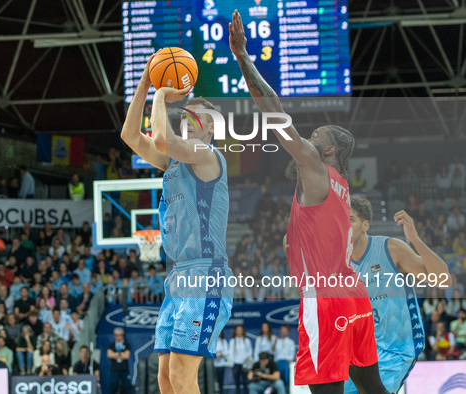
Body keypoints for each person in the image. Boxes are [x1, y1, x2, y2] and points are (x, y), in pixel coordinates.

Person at [229, 10, 388, 393]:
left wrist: (242, 57)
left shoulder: (315, 165)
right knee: (372, 388)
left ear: (329, 148)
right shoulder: (341, 186)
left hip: (326, 298)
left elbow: (274, 112)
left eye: (315, 134)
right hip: (354, 293)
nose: (308, 137)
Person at [121, 48, 234, 394]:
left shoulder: (206, 155)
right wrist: (144, 81)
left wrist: (161, 93)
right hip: (179, 276)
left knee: (184, 377)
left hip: (206, 273)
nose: (187, 121)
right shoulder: (175, 163)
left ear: (211, 127)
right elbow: (130, 136)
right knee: (166, 378)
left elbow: (161, 138)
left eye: (195, 117)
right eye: (185, 116)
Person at [344, 196, 451, 394]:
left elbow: (444, 280)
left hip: (397, 349)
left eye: (350, 219)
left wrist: (415, 240)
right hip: (363, 350)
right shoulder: (340, 264)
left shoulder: (391, 249)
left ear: (365, 224)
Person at [229, 325, 253, 394]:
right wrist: (231, 364)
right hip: (236, 364)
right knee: (237, 382)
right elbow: (231, 353)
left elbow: (250, 351)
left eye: (240, 330)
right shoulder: (232, 341)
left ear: (243, 331)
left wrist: (248, 358)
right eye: (237, 330)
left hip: (244, 364)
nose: (239, 331)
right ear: (235, 331)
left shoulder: (246, 340)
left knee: (245, 382)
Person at [108, 328, 132, 394]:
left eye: (120, 335)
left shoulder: (126, 345)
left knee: (127, 386)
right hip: (115, 369)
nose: (118, 337)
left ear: (122, 335)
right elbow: (109, 355)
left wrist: (115, 354)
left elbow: (126, 356)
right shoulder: (112, 345)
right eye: (116, 335)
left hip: (124, 369)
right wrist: (121, 354)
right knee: (113, 385)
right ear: (114, 335)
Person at [274, 325, 296, 390]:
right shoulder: (277, 341)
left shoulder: (291, 342)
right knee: (278, 381)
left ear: (288, 332)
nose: (282, 332)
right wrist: (274, 342)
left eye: (284, 330)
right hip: (277, 362)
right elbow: (273, 351)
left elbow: (292, 354)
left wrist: (289, 362)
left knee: (286, 380)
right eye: (281, 330)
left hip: (286, 363)